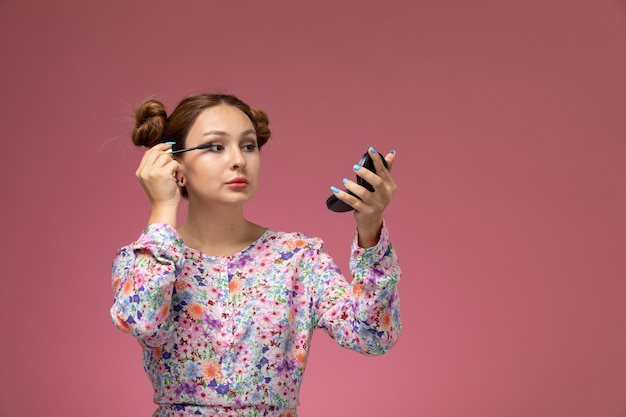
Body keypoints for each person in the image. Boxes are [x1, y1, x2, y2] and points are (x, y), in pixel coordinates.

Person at [110, 93, 402, 417]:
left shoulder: (296, 258)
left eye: (248, 146)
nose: (238, 160)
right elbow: (141, 321)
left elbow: (373, 335)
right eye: (215, 147)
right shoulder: (148, 260)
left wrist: (370, 227)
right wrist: (163, 208)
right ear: (174, 165)